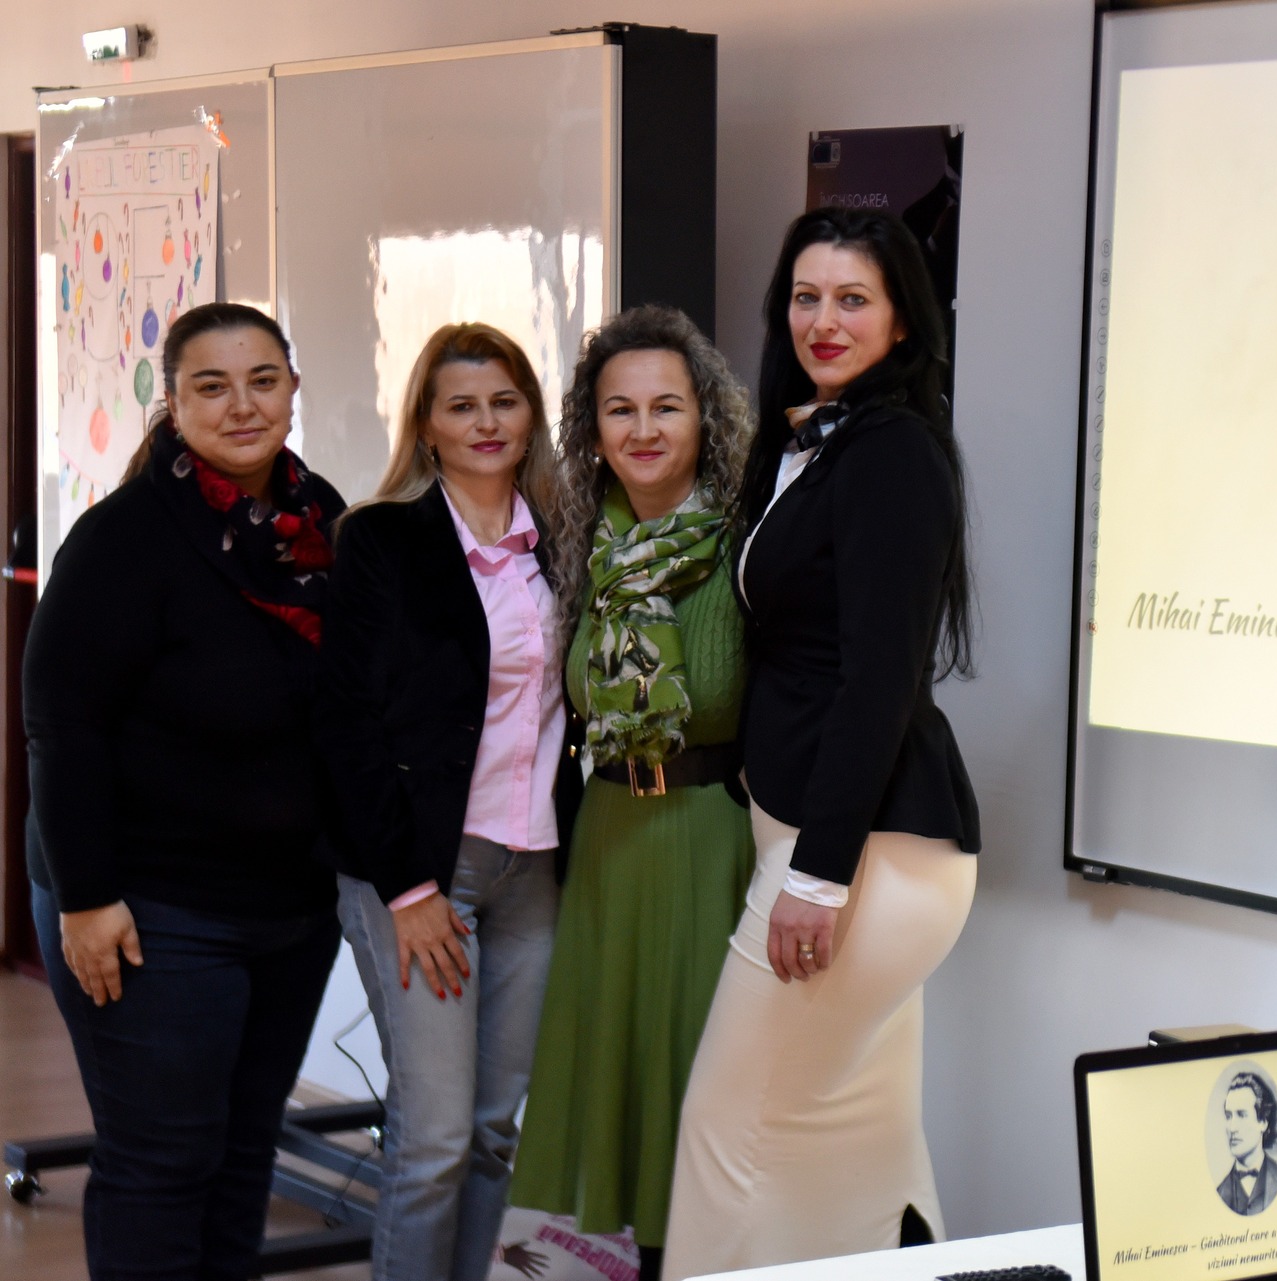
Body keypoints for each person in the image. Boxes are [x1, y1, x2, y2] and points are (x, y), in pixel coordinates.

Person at [661, 207, 981, 1278]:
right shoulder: (816, 442)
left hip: (860, 855)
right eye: (806, 297)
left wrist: (819, 877)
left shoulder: (892, 454)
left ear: (902, 321)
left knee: (727, 1131)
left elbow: (878, 682)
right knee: (858, 1143)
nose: (824, 321)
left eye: (853, 299)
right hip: (838, 844)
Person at [25, 301, 346, 1280]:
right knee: (162, 1162)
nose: (242, 405)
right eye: (212, 386)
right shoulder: (123, 539)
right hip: (149, 908)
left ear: (293, 389)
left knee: (244, 1157)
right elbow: (62, 727)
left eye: (262, 381)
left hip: (289, 908)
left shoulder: (318, 520)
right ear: (173, 404)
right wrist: (85, 898)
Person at [317, 323, 579, 1281]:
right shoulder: (381, 540)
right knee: (432, 1140)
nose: (485, 422)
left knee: (494, 1133)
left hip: (532, 869)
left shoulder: (565, 543)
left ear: (531, 415)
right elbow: (346, 724)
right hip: (424, 871)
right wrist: (409, 888)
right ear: (426, 424)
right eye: (461, 405)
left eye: (504, 401)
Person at [508, 305, 757, 1281]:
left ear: (705, 417)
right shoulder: (582, 543)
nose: (643, 429)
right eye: (620, 409)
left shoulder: (746, 541)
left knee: (699, 1094)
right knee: (629, 1091)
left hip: (712, 836)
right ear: (592, 427)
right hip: (610, 838)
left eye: (667, 406)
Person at [1215, 1072, 1277, 1216]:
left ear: (1263, 1122)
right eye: (1228, 1116)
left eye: (1242, 1115)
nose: (1232, 1128)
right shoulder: (1219, 1193)